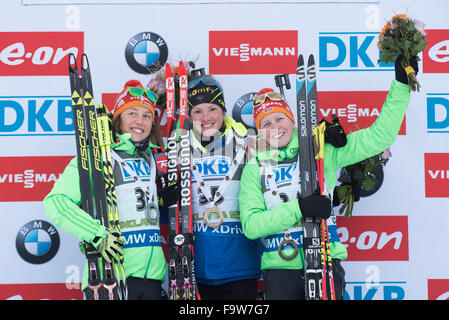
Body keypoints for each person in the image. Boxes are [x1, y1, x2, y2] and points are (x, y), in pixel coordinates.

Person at [238, 55, 417, 300]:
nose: (275, 127)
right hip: (280, 268)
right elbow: (251, 226)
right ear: (258, 130)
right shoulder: (254, 166)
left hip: (325, 261)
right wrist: (299, 208)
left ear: (292, 120)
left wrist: (401, 85)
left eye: (280, 118)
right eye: (265, 123)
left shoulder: (322, 151)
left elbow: (379, 137)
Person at [43, 79, 177, 300]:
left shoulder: (153, 159)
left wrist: (163, 200)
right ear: (118, 119)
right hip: (110, 277)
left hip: (152, 277)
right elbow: (56, 202)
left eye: (146, 115)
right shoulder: (96, 159)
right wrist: (96, 235)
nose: (139, 121)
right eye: (131, 113)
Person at [187, 75, 262, 300]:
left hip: (240, 267)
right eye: (197, 111)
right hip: (195, 270)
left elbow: (286, 153)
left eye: (212, 109)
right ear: (190, 116)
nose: (206, 117)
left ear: (223, 110)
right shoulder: (178, 148)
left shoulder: (249, 141)